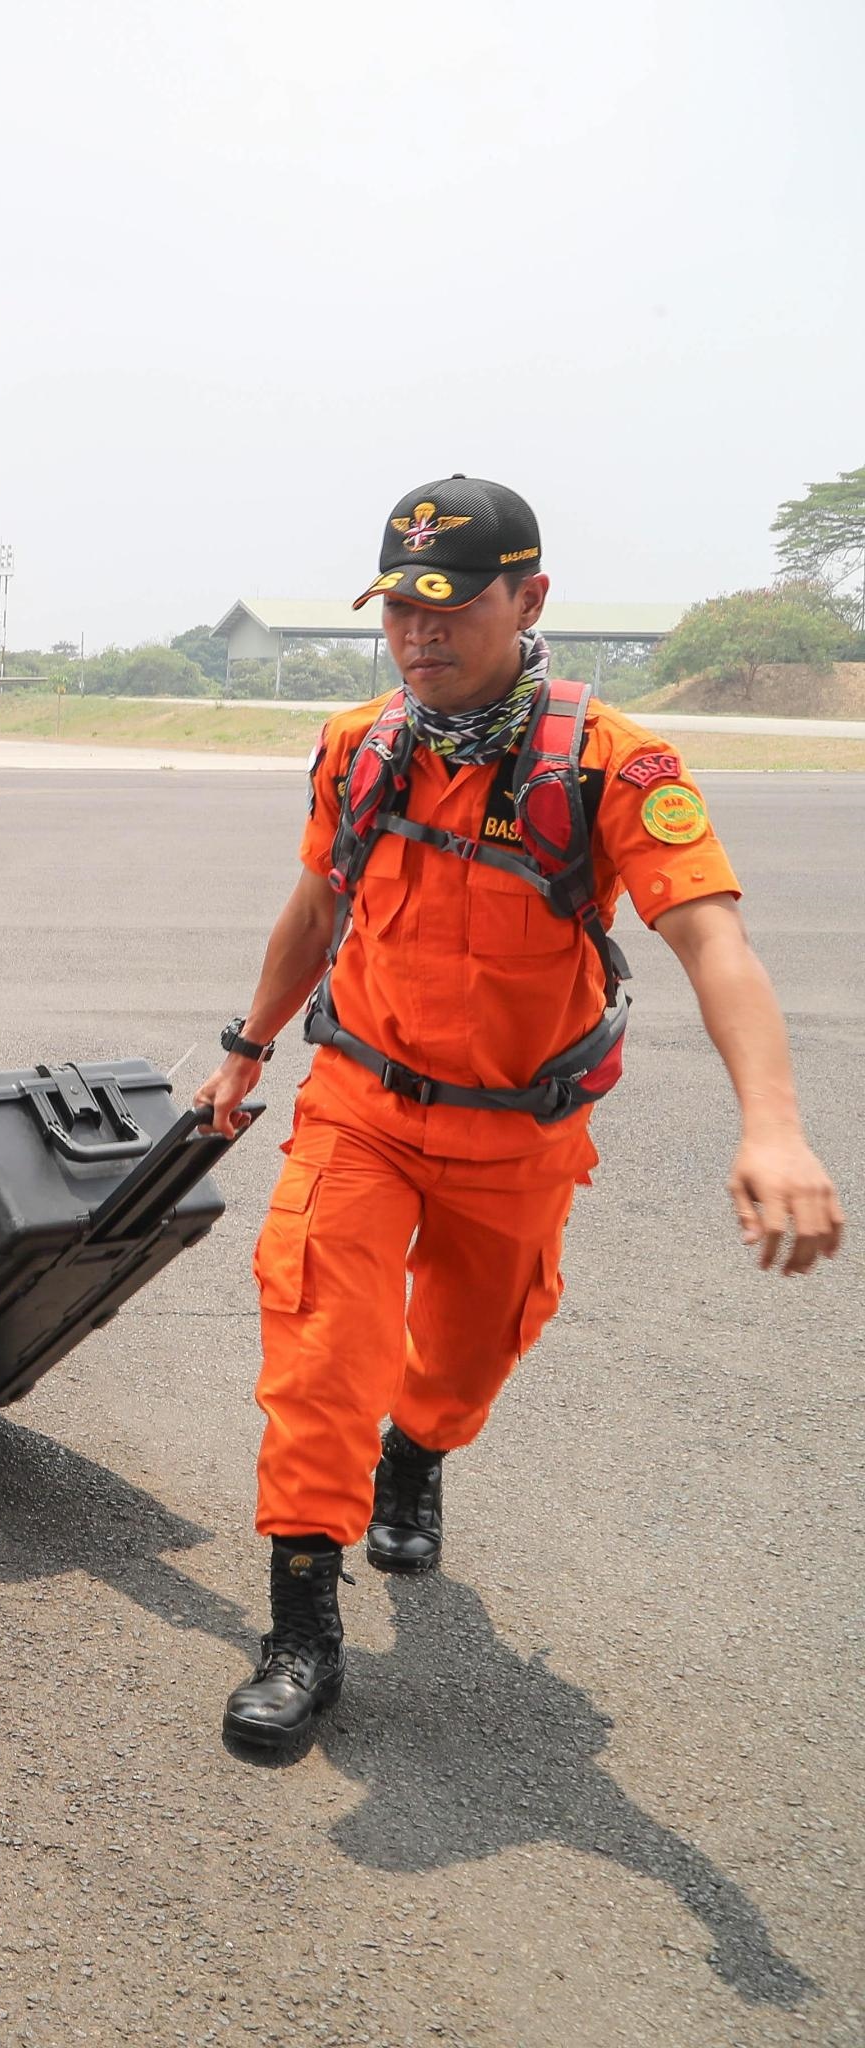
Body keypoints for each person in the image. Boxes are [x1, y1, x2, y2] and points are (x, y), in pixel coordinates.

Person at [195, 475, 841, 1757]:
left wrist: (773, 1122)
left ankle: (419, 1451)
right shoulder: (356, 744)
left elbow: (714, 943)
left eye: (450, 604)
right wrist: (247, 1045)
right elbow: (315, 909)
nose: (419, 634)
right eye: (399, 609)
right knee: (322, 1343)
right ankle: (301, 1621)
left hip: (518, 1131)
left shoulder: (612, 762)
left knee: (468, 1355)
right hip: (360, 1105)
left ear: (528, 598)